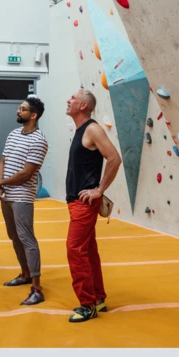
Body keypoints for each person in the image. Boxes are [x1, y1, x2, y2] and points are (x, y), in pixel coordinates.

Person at [64, 89, 122, 322]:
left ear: (83, 106)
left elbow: (115, 158)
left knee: (75, 250)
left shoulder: (92, 128)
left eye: (73, 98)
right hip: (76, 201)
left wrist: (99, 190)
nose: (68, 100)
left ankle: (87, 305)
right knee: (88, 251)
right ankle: (98, 297)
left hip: (83, 203)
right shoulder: (81, 130)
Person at [0, 96, 48, 306]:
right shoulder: (13, 134)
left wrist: (0, 183)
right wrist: (0, 184)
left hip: (22, 197)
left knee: (27, 238)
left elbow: (26, 174)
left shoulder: (39, 140)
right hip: (7, 195)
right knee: (13, 236)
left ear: (33, 115)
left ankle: (37, 288)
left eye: (23, 109)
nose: (18, 111)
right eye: (19, 107)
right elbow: (3, 160)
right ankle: (25, 274)